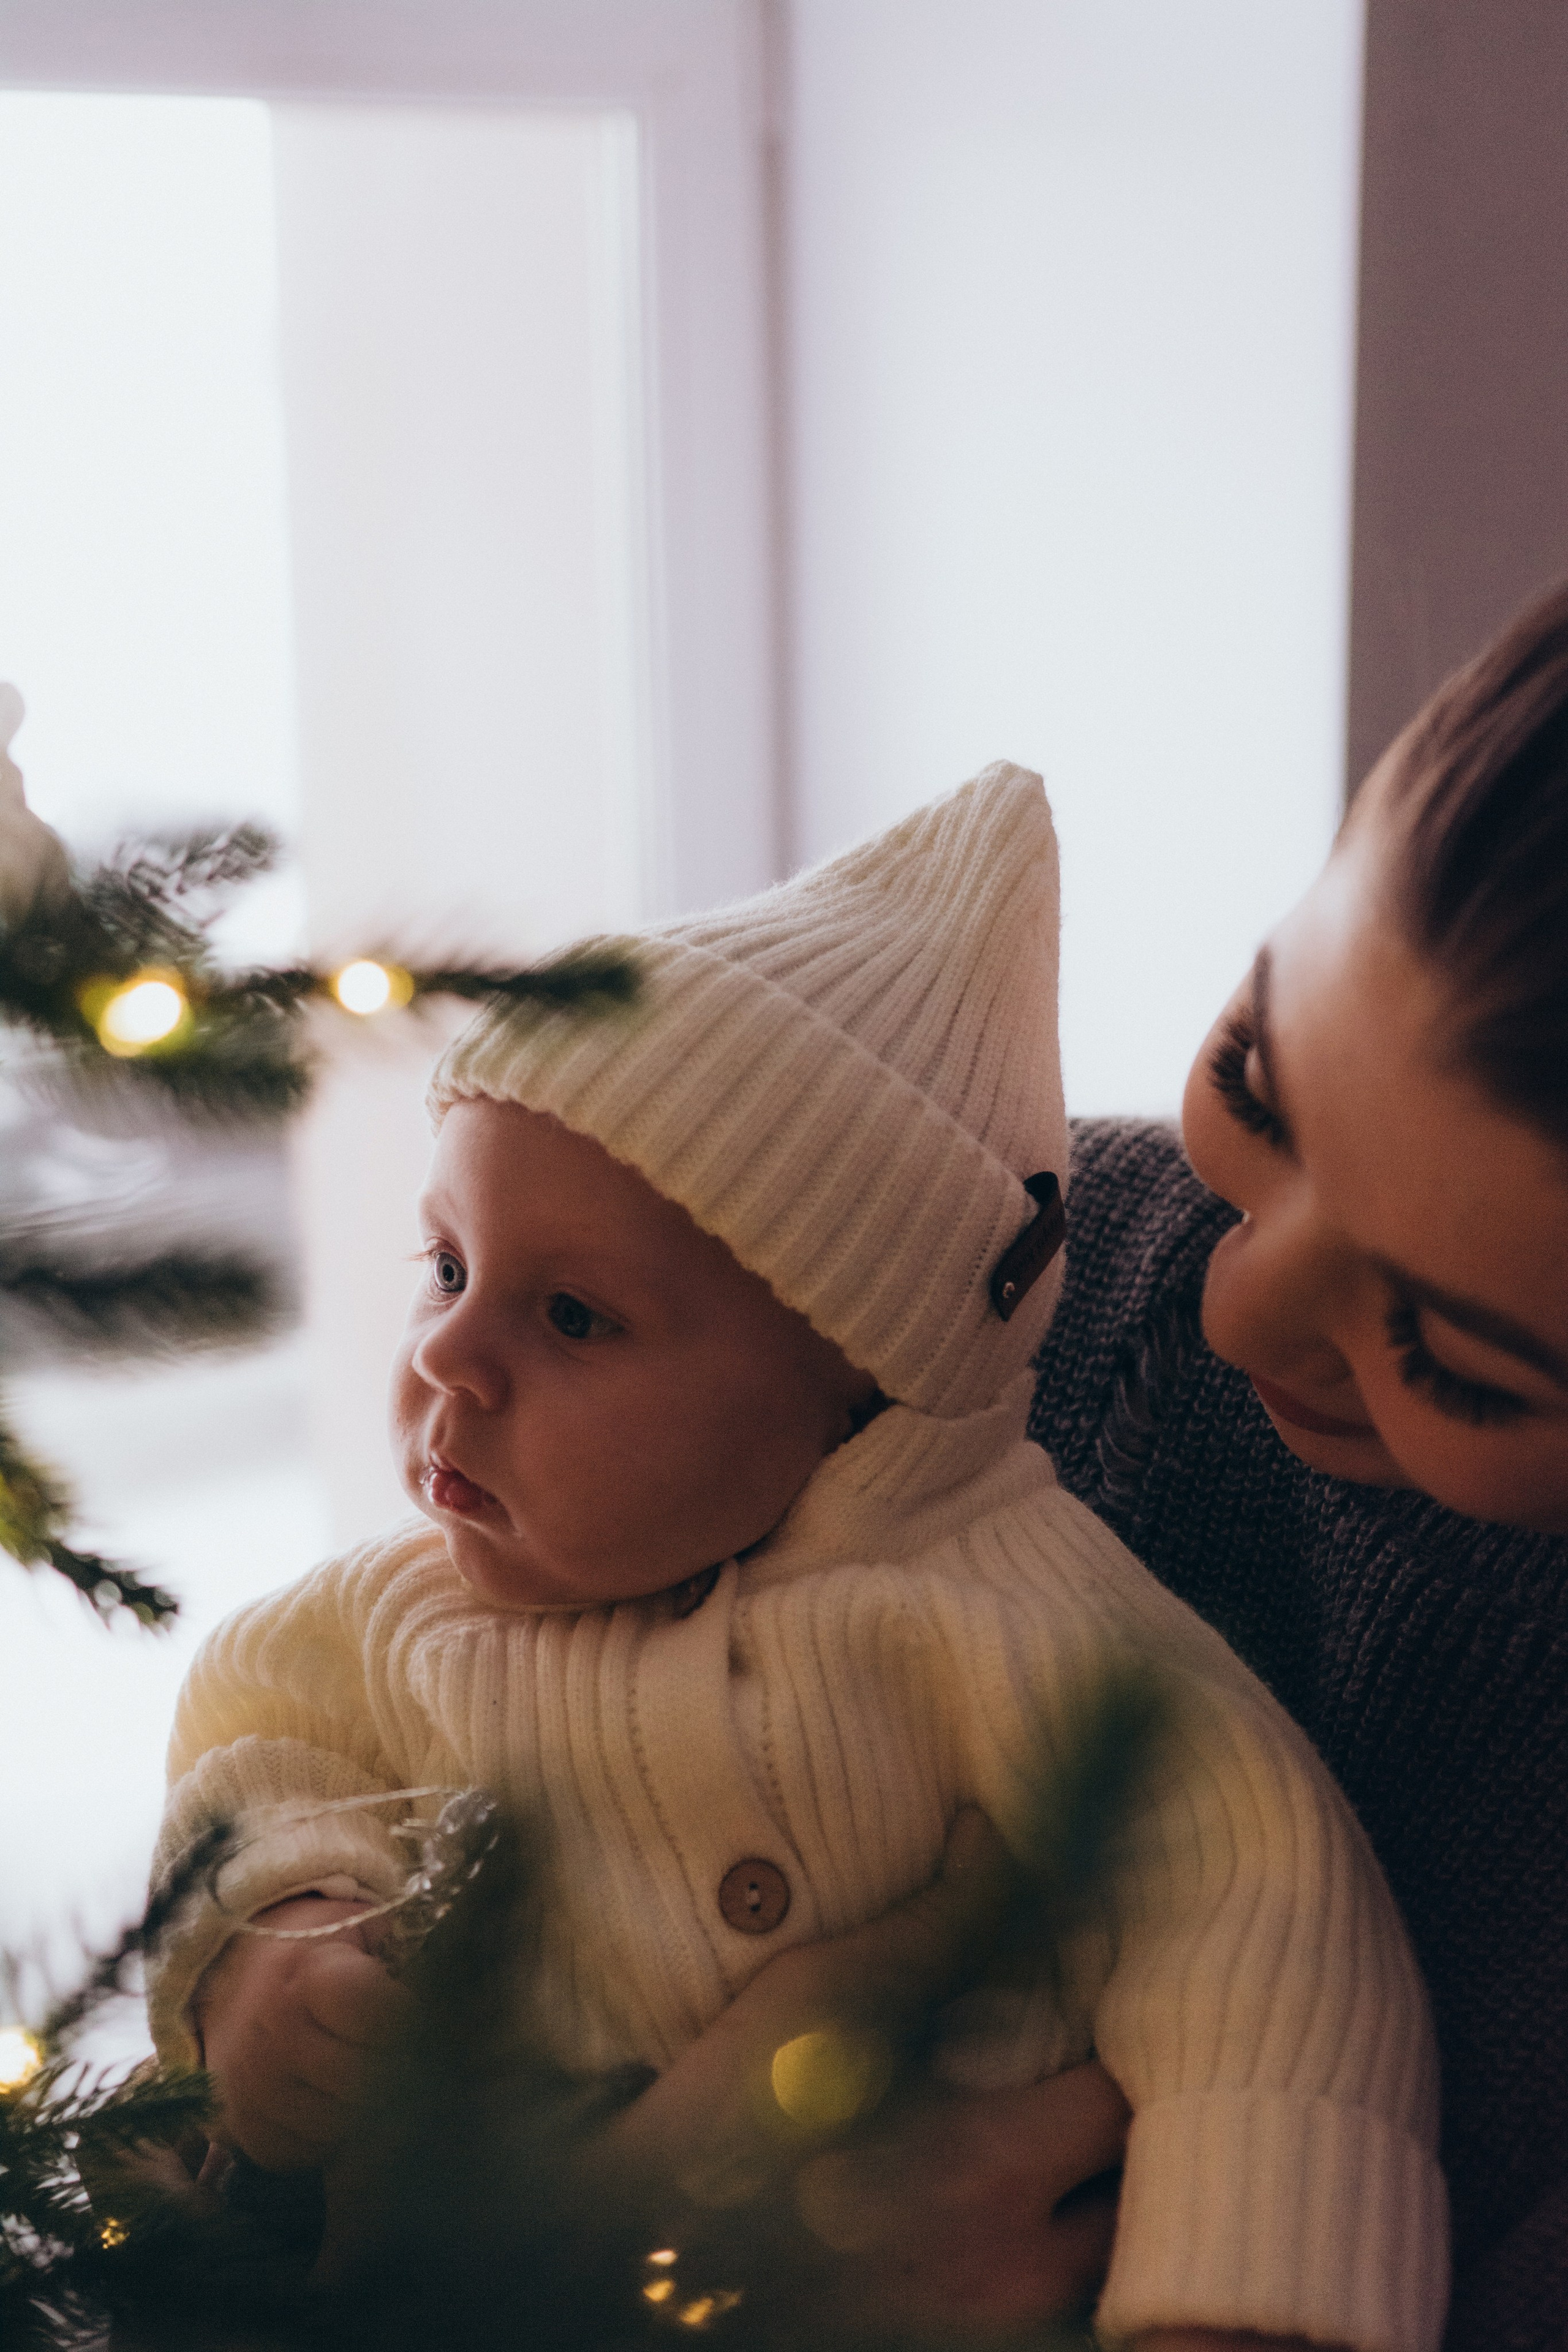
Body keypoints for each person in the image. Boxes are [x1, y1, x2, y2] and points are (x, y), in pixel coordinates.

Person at [148, 767, 1444, 2352]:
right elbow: (247, 1745)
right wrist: (267, 1954)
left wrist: (1238, 2298)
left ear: (853, 1386)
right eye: (447, 1265)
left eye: (574, 1317)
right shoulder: (380, 1619)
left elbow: (1265, 1935)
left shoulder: (1015, 1621)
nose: (453, 1361)